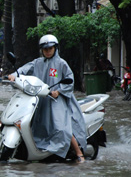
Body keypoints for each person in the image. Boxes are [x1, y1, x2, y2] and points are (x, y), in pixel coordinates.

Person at [7, 34, 87, 163]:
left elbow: (70, 80)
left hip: (58, 99)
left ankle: (79, 153)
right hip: (41, 98)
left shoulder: (61, 63)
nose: (48, 51)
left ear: (55, 48)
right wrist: (14, 75)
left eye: (50, 48)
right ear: (42, 50)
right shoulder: (38, 62)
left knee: (61, 127)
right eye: (45, 49)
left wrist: (59, 91)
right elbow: (25, 68)